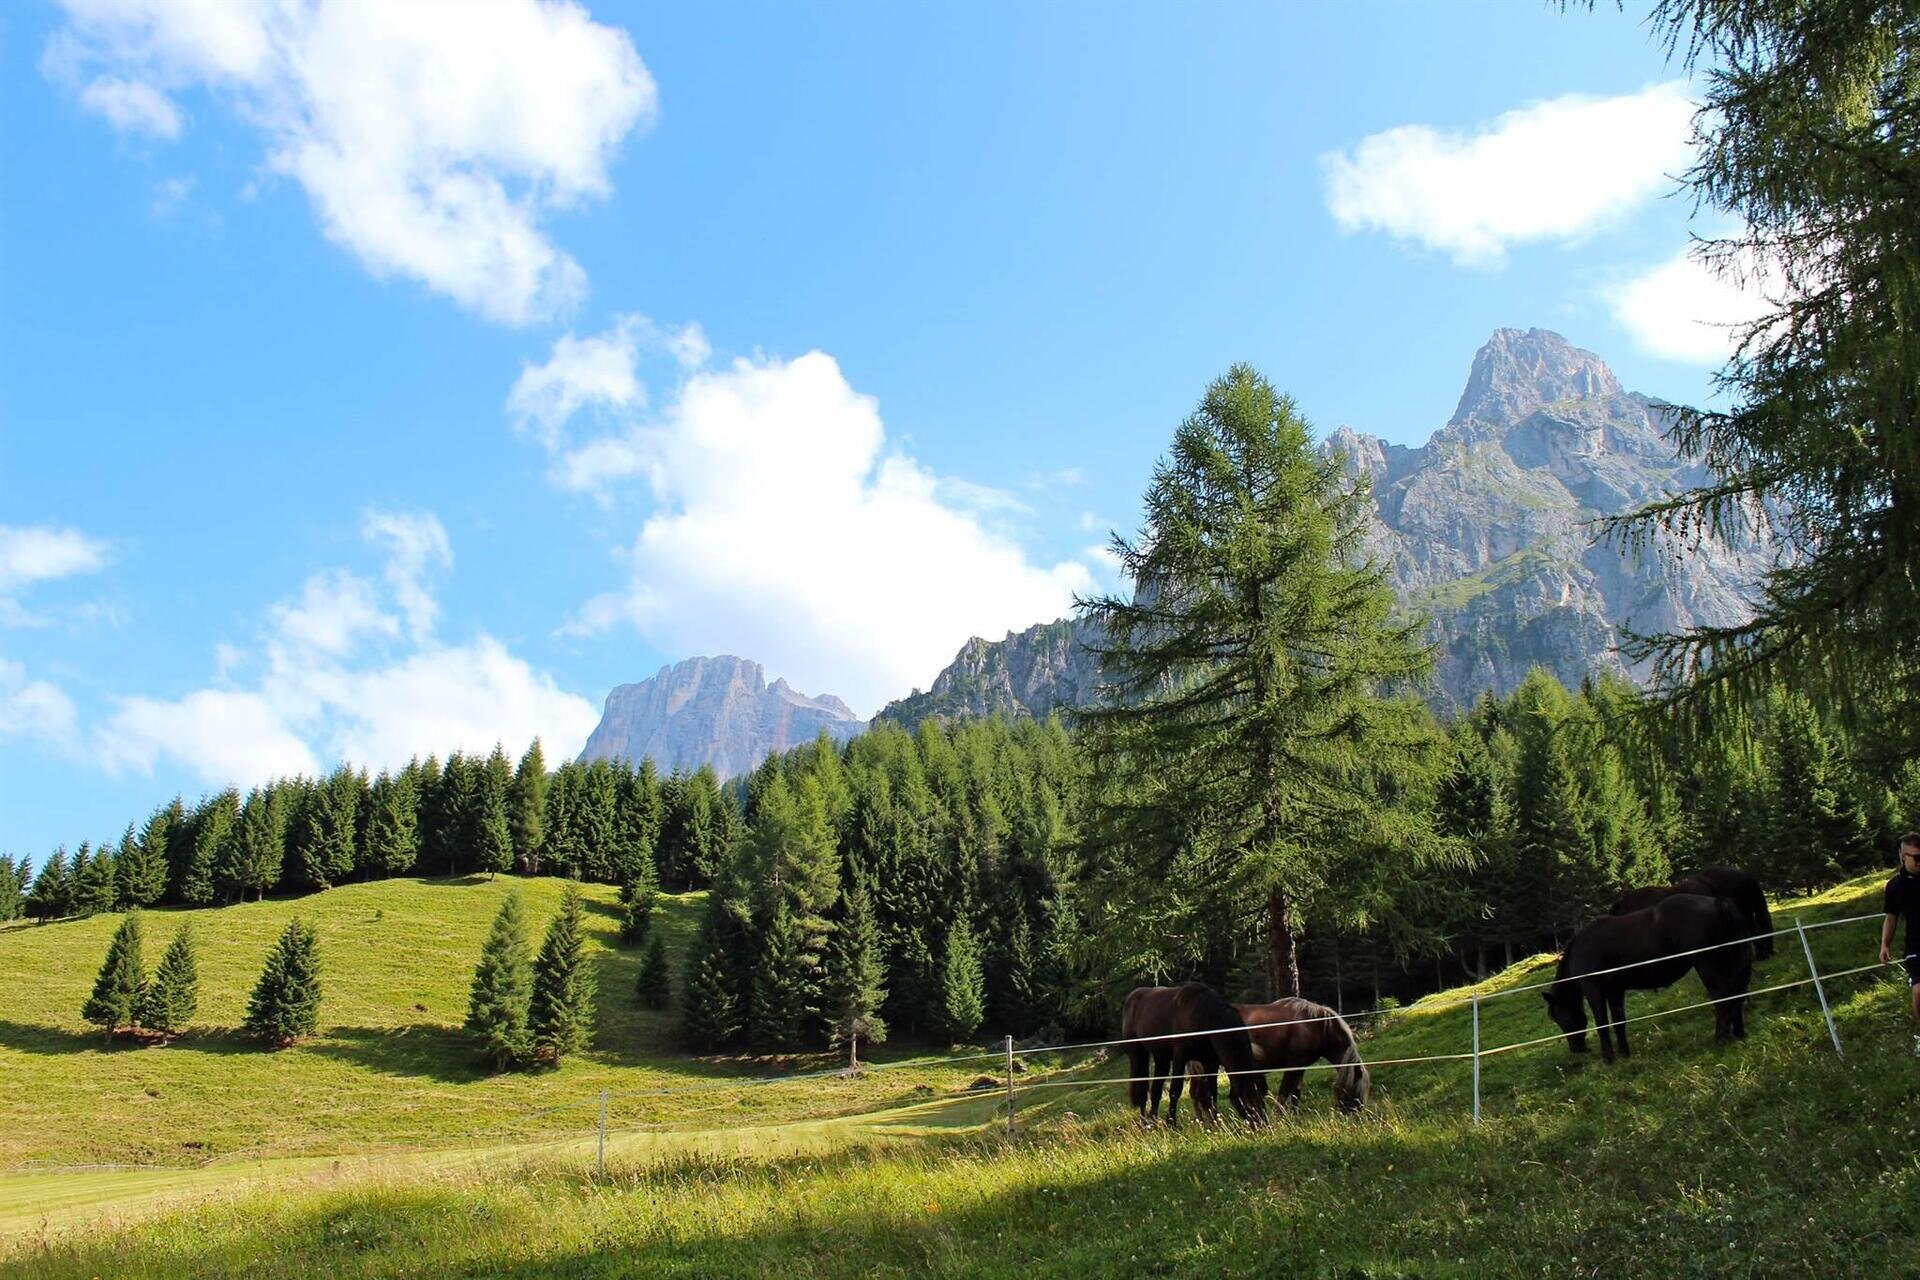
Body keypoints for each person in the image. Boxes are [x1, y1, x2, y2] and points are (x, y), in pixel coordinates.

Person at [1879, 833, 1920, 1050]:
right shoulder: (1895, 886)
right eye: (1916, 858)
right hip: (1915, 946)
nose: (1919, 862)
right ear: (1903, 856)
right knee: (1919, 991)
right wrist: (1885, 944)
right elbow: (1891, 916)